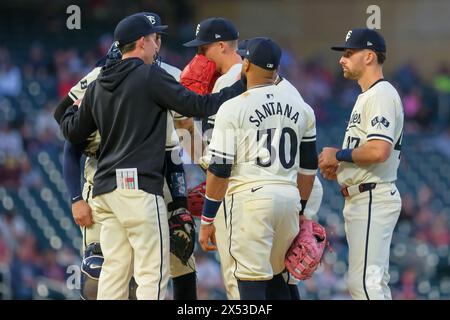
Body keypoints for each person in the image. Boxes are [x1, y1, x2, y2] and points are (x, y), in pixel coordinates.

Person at [55, 12, 243, 300]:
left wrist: (70, 108)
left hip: (106, 193)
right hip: (138, 188)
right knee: (152, 274)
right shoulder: (151, 75)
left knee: (113, 275)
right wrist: (241, 86)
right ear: (141, 42)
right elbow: (198, 105)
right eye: (156, 39)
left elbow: (69, 128)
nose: (158, 45)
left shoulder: (99, 84)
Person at [198, 37, 318, 300]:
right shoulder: (302, 107)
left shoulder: (232, 107)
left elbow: (220, 169)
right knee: (278, 278)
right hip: (288, 199)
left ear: (247, 64)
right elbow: (309, 168)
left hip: (251, 201)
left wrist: (207, 219)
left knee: (250, 283)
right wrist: (301, 209)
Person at [319, 28, 404, 300]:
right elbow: (367, 151)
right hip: (362, 196)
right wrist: (342, 168)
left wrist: (339, 156)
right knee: (366, 285)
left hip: (372, 197)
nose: (342, 60)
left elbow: (380, 151)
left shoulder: (381, 93)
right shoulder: (366, 96)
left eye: (348, 53)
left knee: (366, 286)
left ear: (369, 56)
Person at [180, 16, 244, 299]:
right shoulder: (270, 78)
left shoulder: (226, 83)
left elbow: (212, 157)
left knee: (236, 279)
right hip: (270, 190)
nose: (198, 56)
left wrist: (181, 125)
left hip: (236, 193)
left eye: (202, 49)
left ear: (221, 46)